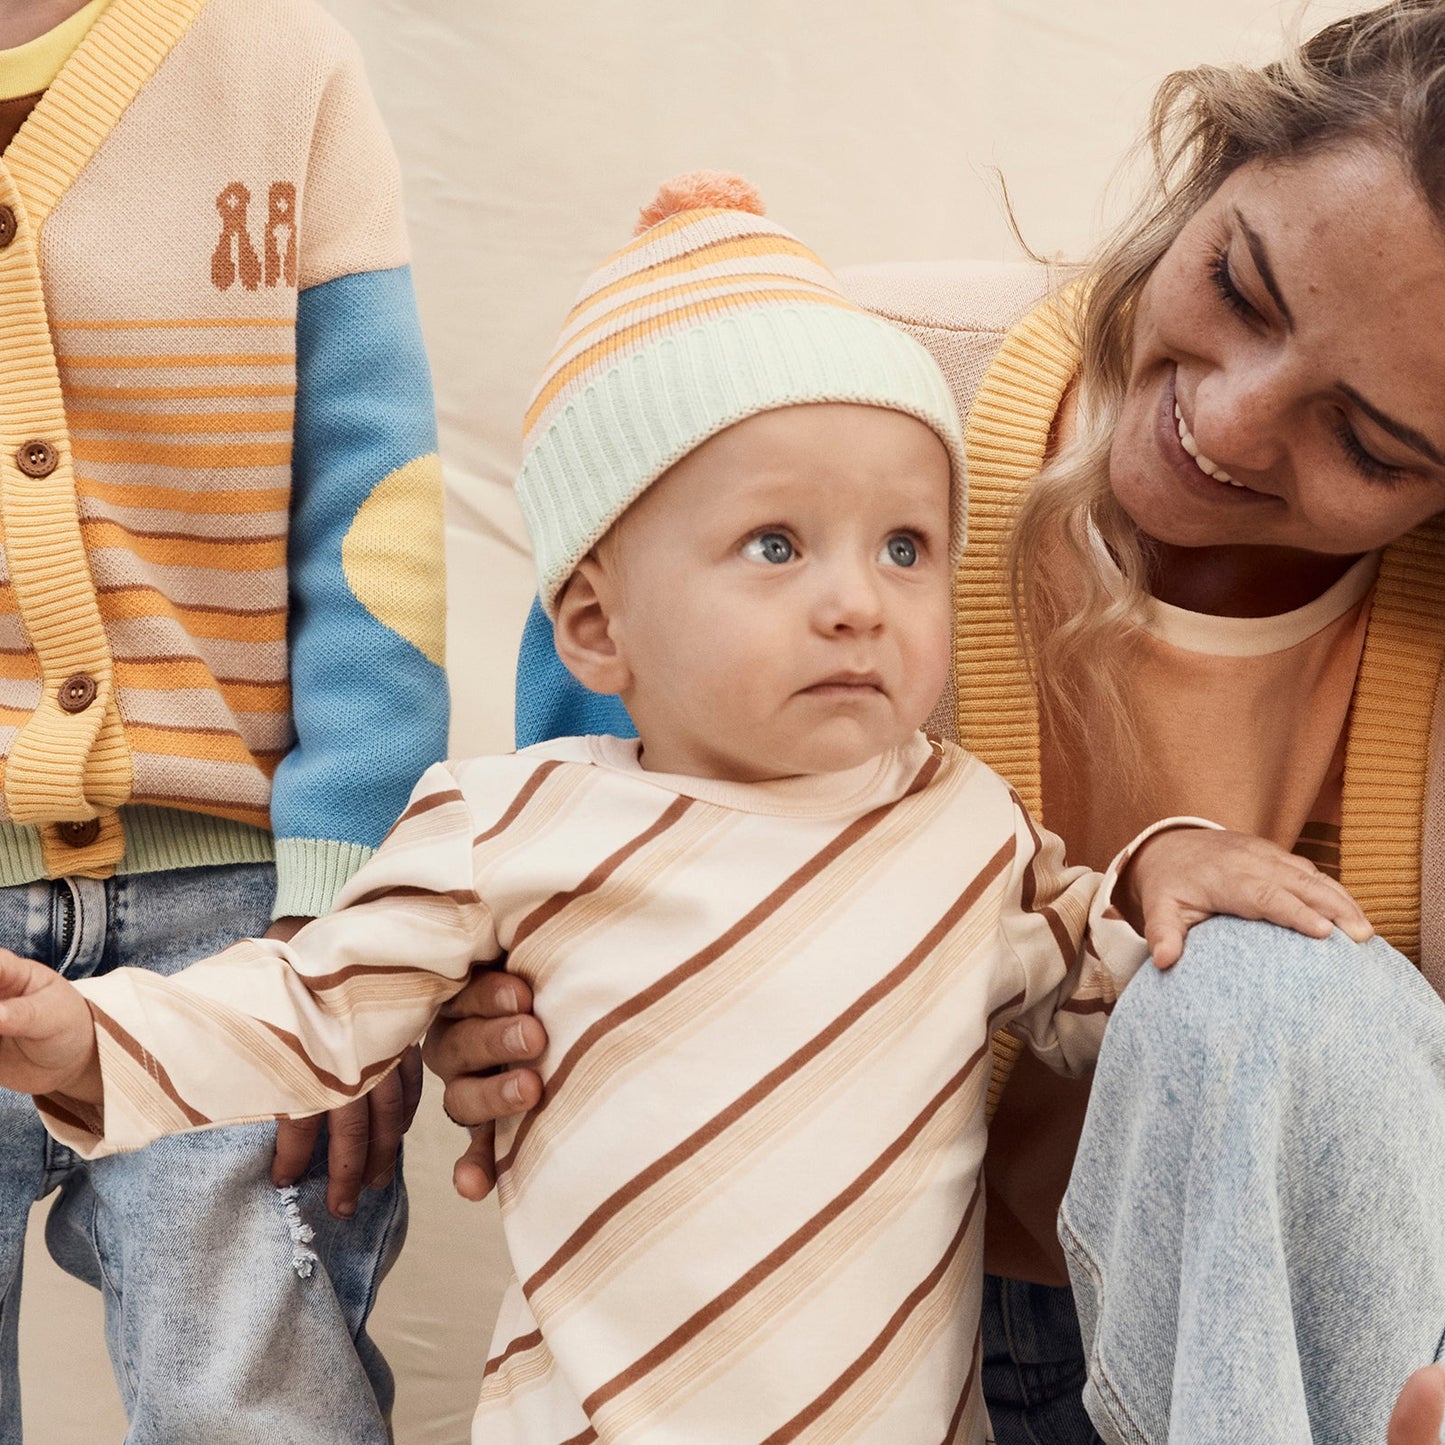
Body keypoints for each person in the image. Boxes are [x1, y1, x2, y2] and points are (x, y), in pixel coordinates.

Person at [0, 175, 1372, 1444]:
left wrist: (1157, 870)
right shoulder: (508, 824)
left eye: (904, 546)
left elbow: (1109, 993)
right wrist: (87, 1034)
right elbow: (306, 1011)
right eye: (773, 545)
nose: (855, 596)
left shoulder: (967, 826)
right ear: (596, 626)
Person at [428, 2, 1445, 1441]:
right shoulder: (858, 401)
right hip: (869, 1315)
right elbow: (598, 727)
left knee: (1265, 985)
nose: (1228, 418)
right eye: (1238, 286)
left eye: (1363, 440)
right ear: (1212, 164)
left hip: (1292, 1355)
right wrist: (506, 986)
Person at [0, 0, 447, 1439]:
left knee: (258, 1415)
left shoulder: (277, 62)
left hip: (248, 924)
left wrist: (349, 930)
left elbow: (372, 524)